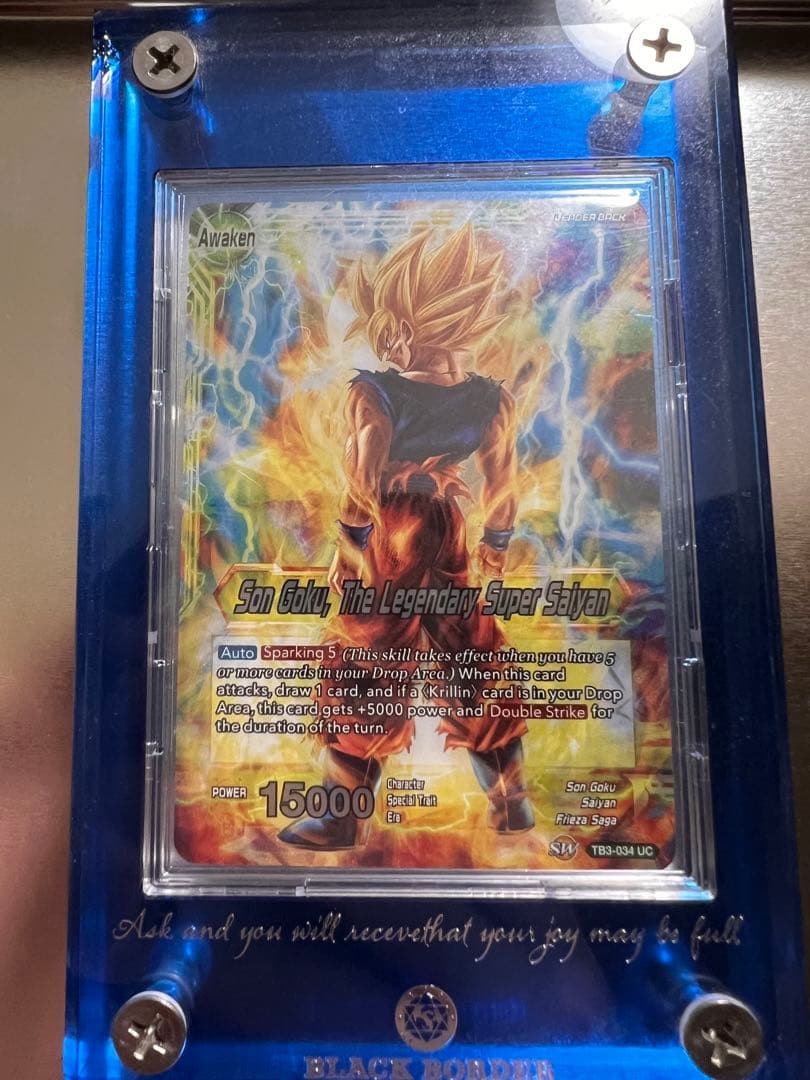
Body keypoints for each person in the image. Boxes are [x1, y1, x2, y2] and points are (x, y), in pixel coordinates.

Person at [279, 222, 535, 850]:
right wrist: (495, 546)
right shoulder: (491, 399)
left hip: (390, 529)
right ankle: (512, 803)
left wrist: (350, 545)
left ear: (406, 322)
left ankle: (339, 816)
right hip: (449, 526)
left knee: (367, 659)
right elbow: (504, 482)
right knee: (472, 652)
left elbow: (365, 474)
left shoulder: (374, 391)